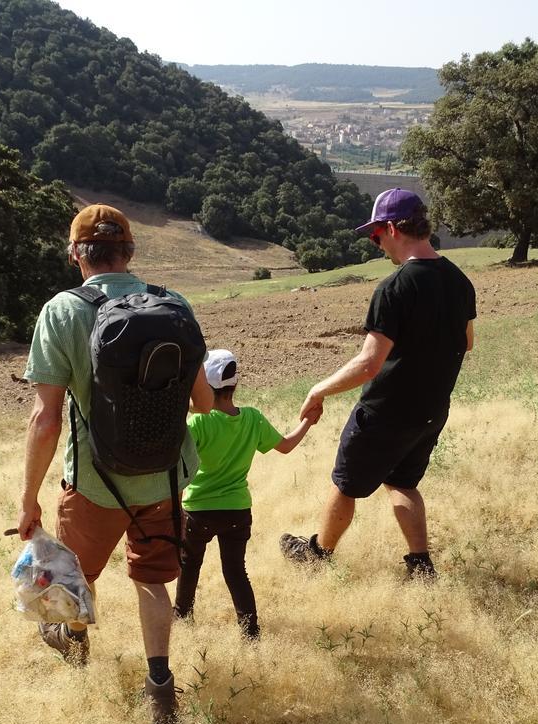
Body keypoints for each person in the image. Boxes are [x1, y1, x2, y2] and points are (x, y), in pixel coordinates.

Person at [17, 203, 213, 724]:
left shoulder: (61, 311)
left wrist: (29, 498)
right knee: (152, 582)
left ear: (76, 253)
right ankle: (160, 688)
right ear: (129, 251)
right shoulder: (174, 304)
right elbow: (204, 404)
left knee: (77, 575)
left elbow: (45, 420)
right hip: (167, 480)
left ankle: (74, 639)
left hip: (95, 485)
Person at [280, 189, 476, 579]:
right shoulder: (459, 280)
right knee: (403, 482)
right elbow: (467, 342)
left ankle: (318, 555)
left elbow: (369, 363)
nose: (378, 243)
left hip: (385, 411)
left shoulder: (395, 288)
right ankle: (421, 565)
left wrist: (318, 389)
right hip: (431, 410)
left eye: (376, 235)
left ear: (391, 228)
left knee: (345, 484)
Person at [174, 350, 313, 639]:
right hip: (237, 511)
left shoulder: (198, 424)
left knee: (189, 568)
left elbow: (177, 469)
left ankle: (183, 617)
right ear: (234, 386)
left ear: (204, 387)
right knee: (236, 572)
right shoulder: (252, 419)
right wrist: (308, 422)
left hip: (198, 511)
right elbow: (286, 446)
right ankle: (250, 631)